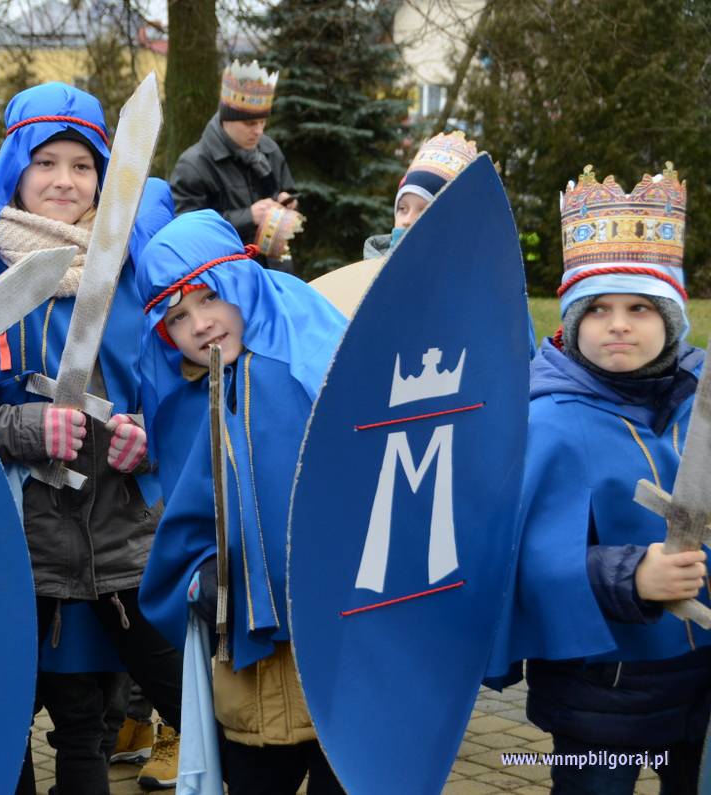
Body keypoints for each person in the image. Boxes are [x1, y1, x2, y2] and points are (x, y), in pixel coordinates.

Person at [0, 82, 184, 794]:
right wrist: (22, 426)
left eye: (82, 165)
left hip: (118, 542)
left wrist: (150, 437)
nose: (65, 181)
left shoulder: (138, 269)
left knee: (90, 725)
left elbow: (182, 390)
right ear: (15, 168)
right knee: (0, 721)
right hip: (11, 543)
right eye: (45, 162)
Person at [487, 162, 711, 794]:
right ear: (572, 321)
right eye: (599, 309)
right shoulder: (549, 422)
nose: (618, 324)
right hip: (602, 686)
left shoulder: (701, 404)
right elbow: (523, 558)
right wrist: (632, 576)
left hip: (702, 679)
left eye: (640, 307)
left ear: (671, 319)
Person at [136, 209, 347, 794]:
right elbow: (183, 523)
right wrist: (201, 578)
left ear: (243, 280)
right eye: (177, 317)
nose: (200, 324)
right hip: (249, 669)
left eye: (210, 297)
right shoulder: (187, 401)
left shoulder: (310, 367)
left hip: (335, 645)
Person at [170, 61, 299, 271]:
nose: (258, 131)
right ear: (227, 119)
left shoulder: (269, 149)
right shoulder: (193, 164)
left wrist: (288, 201)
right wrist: (249, 216)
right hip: (228, 275)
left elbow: (288, 190)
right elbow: (188, 232)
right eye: (250, 123)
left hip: (278, 269)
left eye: (262, 122)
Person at [359, 130, 478, 261]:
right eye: (402, 209)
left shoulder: (466, 271)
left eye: (424, 211)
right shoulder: (366, 270)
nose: (407, 221)